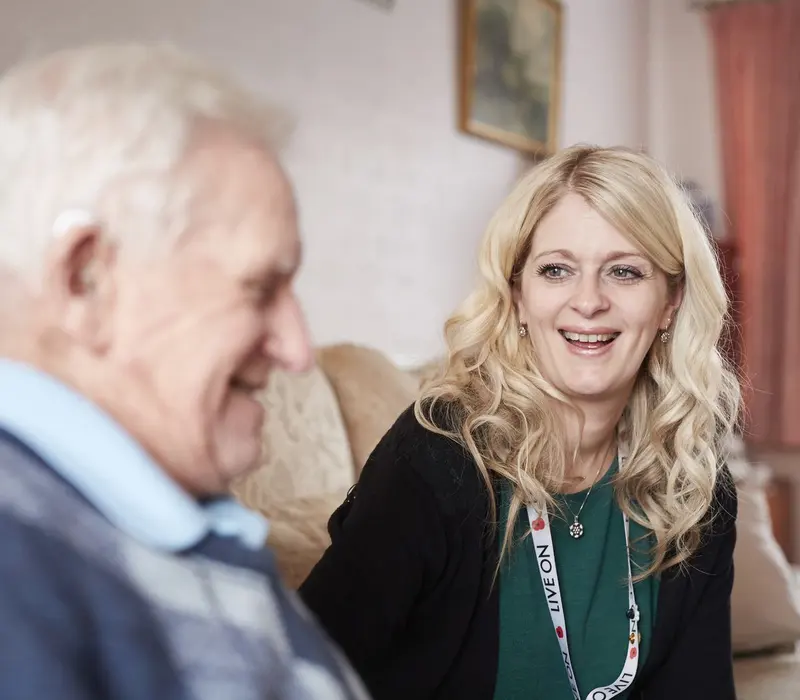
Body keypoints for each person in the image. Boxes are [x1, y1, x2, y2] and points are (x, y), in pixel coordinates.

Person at [299, 145, 741, 700]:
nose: (588, 302)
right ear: (518, 294)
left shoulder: (694, 486)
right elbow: (299, 672)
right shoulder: (438, 457)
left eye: (624, 272)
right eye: (557, 270)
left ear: (670, 303)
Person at [0, 43, 369, 700]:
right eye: (259, 288)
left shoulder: (130, 513)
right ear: (86, 279)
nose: (297, 349)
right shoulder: (20, 568)